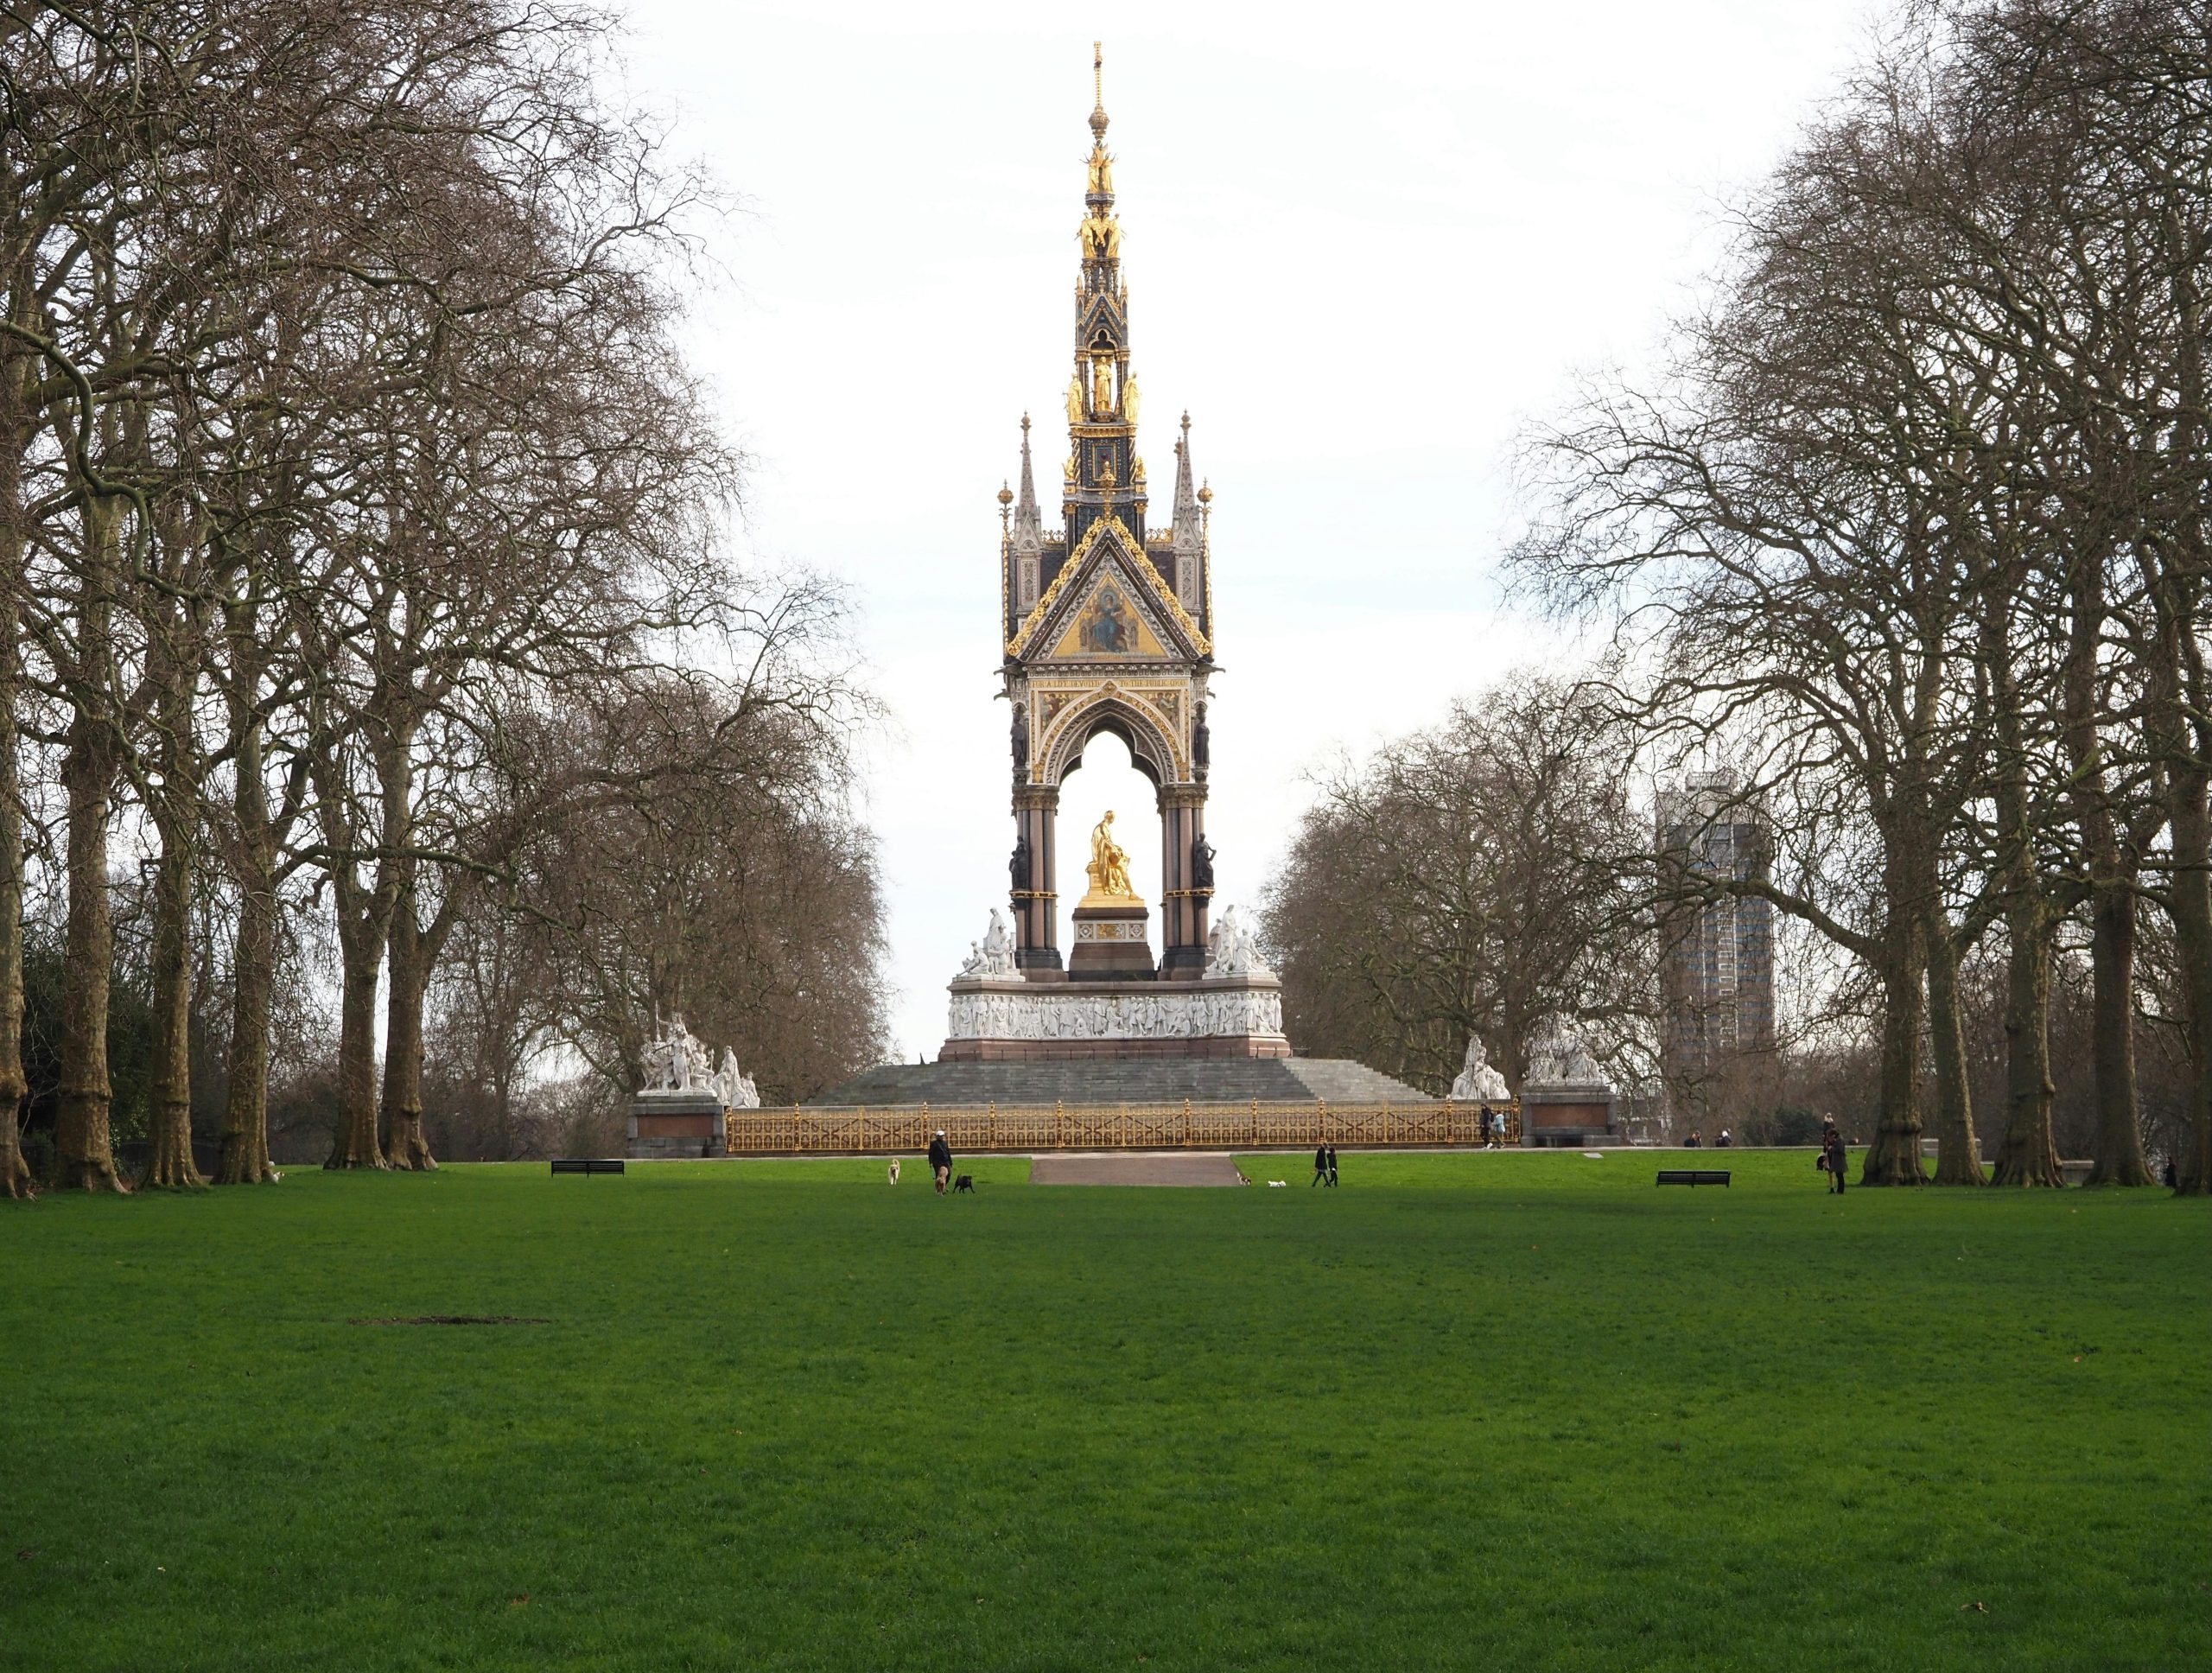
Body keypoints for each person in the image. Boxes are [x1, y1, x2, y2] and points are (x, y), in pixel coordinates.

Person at [1822, 1124, 1847, 1194]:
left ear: (1833, 1135)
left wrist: (1831, 1148)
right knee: (1838, 1175)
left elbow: (1839, 1149)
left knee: (1840, 1176)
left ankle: (1840, 1190)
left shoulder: (1840, 1140)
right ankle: (1839, 1190)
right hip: (1837, 1160)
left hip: (1839, 1160)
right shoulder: (1838, 1139)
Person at [928, 1129, 953, 1196]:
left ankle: (943, 1187)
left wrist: (950, 1162)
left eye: (942, 1136)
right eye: (940, 1136)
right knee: (939, 1176)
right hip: (938, 1162)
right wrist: (931, 1162)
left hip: (946, 1161)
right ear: (937, 1136)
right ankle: (939, 1189)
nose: (941, 1137)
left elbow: (948, 1152)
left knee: (949, 1174)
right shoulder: (934, 1144)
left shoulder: (945, 1143)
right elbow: (931, 1154)